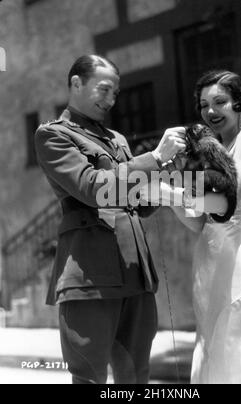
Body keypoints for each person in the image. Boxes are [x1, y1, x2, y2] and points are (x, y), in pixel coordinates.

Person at [35, 54, 186, 384]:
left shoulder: (116, 139)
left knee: (135, 376)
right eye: (104, 90)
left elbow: (137, 203)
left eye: (115, 93)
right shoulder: (54, 136)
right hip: (91, 276)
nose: (111, 100)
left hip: (135, 272)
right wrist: (154, 157)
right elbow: (91, 187)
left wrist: (169, 176)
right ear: (76, 83)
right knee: (89, 377)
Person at [169, 70, 241, 384]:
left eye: (220, 102)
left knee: (231, 353)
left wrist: (173, 192)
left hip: (239, 259)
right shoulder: (211, 153)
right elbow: (199, 223)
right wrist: (173, 196)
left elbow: (226, 202)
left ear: (238, 103)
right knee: (208, 353)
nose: (210, 111)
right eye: (203, 105)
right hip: (208, 260)